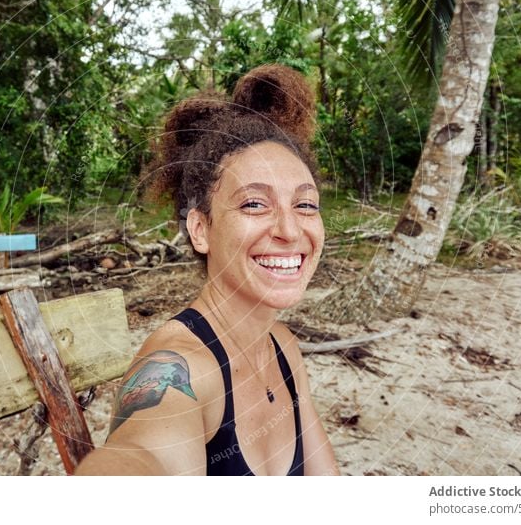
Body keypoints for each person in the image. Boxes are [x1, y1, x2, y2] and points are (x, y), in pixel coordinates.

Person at [76, 64, 339, 476]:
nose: (290, 230)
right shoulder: (180, 367)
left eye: (305, 204)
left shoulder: (284, 348)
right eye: (254, 203)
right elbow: (142, 456)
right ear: (200, 229)